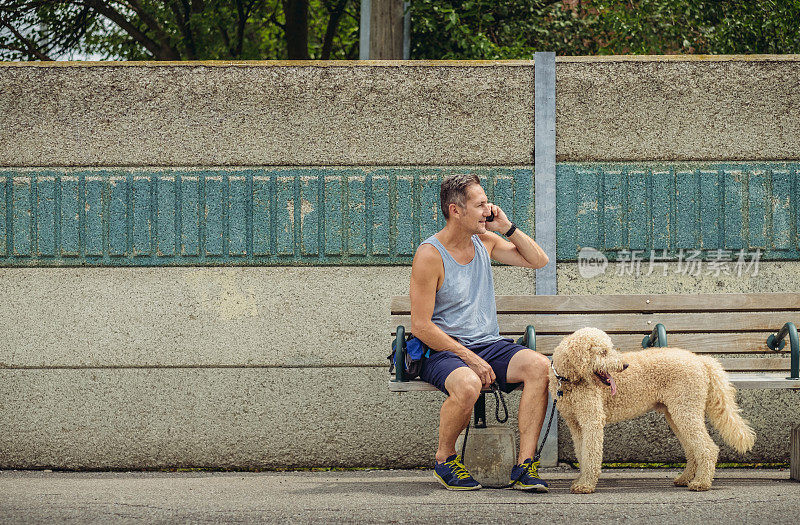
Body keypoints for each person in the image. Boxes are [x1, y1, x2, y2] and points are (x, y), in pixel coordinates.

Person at [409, 173, 551, 491]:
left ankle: (524, 467)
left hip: (487, 343)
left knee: (540, 367)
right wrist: (468, 357)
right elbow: (420, 325)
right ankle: (445, 460)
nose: (488, 210)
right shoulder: (430, 255)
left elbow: (538, 261)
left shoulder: (484, 241)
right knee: (469, 383)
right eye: (480, 204)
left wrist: (507, 227)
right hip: (442, 349)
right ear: (456, 210)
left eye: (487, 202)